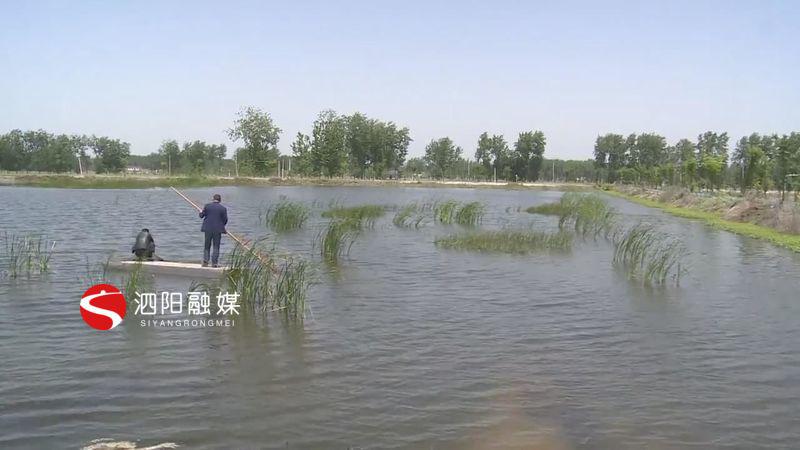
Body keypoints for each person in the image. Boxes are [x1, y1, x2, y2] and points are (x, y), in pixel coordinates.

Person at [199, 193, 228, 267]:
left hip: (207, 229)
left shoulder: (207, 206)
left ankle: (205, 262)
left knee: (207, 246)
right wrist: (222, 226)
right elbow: (225, 220)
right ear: (220, 200)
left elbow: (201, 216)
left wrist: (200, 212)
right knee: (216, 246)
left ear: (213, 199)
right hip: (218, 230)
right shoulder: (223, 208)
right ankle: (214, 263)